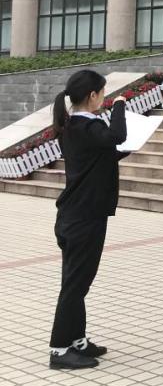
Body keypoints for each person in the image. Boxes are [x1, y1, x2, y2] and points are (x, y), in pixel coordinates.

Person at [49, 69, 128, 370]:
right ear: (93, 95)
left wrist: (122, 151)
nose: (105, 98)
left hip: (75, 215)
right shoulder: (87, 125)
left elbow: (98, 155)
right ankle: (59, 350)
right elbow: (116, 136)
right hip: (84, 217)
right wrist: (120, 106)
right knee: (75, 286)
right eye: (104, 94)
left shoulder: (73, 125)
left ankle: (77, 340)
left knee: (77, 282)